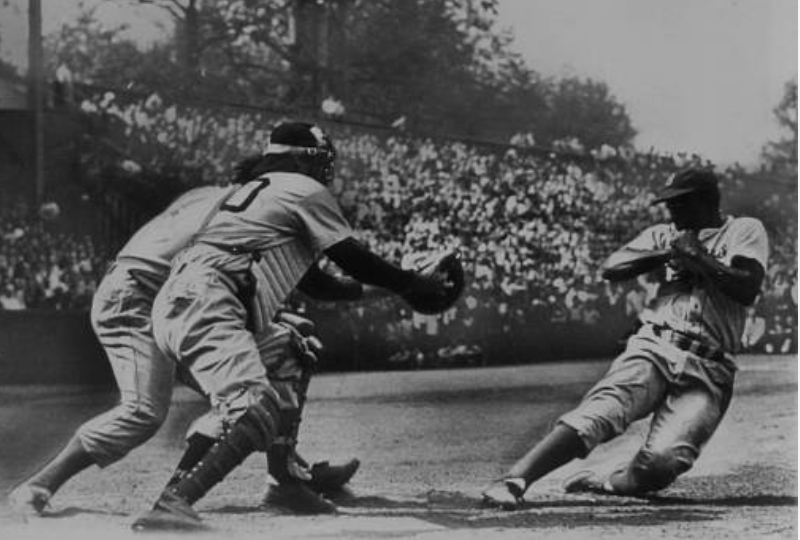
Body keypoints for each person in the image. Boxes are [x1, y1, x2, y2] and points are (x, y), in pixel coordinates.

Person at [132, 122, 456, 530]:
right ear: (302, 158)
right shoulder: (302, 189)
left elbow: (321, 285)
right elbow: (351, 257)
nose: (326, 171)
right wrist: (410, 281)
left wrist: (395, 289)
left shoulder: (256, 195)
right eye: (321, 160)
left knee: (291, 351)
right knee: (253, 408)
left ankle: (283, 481)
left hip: (186, 302)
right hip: (210, 302)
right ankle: (174, 501)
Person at [8, 169, 356, 517]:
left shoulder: (207, 195)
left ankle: (286, 478)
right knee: (143, 411)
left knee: (286, 349)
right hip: (137, 296)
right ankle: (39, 485)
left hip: (170, 294)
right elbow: (314, 285)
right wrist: (396, 285)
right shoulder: (251, 214)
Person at [482, 168, 768, 508]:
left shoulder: (743, 229)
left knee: (661, 466)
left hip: (710, 366)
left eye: (679, 203)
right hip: (655, 344)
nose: (671, 211)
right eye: (669, 204)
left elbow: (747, 287)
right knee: (601, 413)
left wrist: (699, 258)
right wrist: (667, 255)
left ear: (706, 201)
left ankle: (607, 480)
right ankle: (515, 480)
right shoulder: (666, 235)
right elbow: (611, 268)